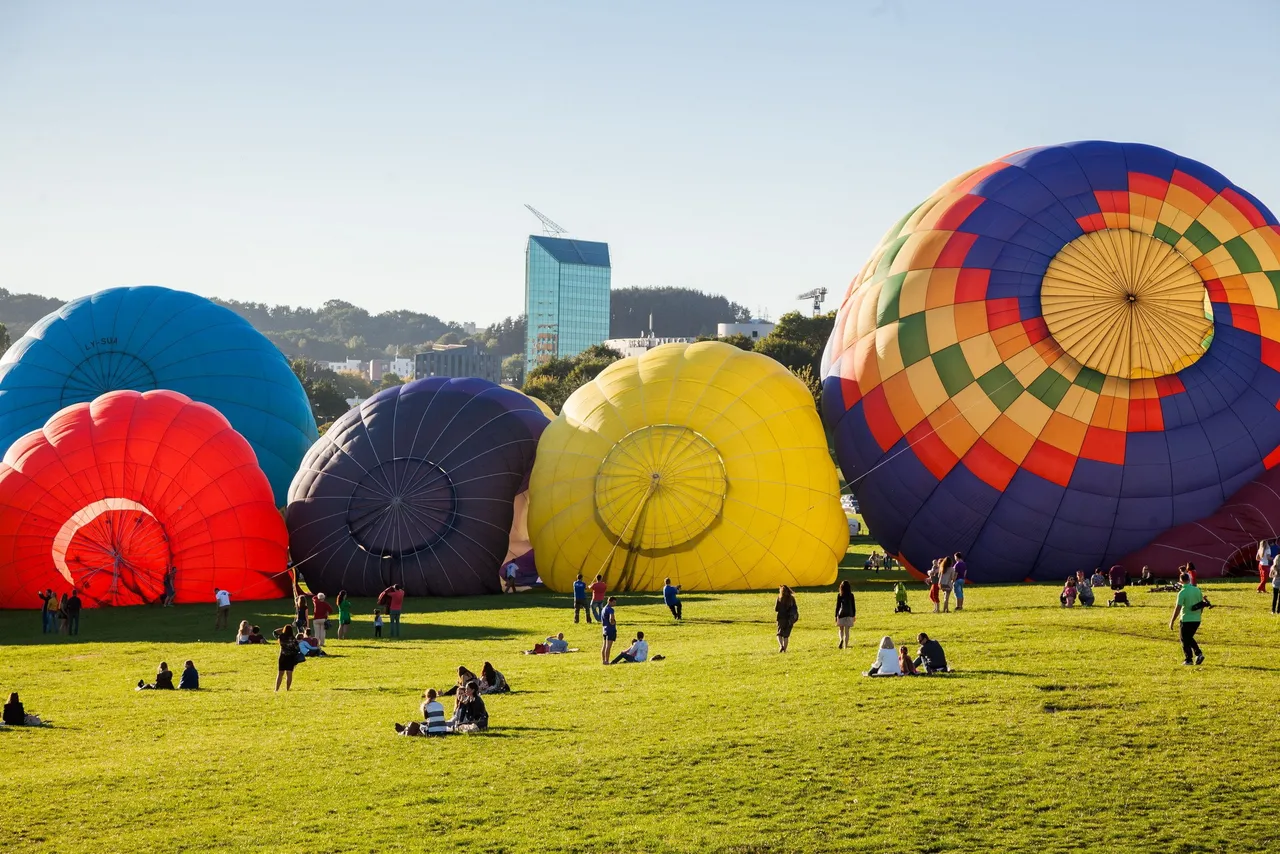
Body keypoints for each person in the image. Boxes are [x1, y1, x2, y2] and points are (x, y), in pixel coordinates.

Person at [1170, 571, 1209, 665]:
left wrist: (1172, 621)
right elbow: (1201, 605)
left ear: (1180, 581)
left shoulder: (1182, 592)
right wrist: (1199, 615)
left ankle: (1189, 659)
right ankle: (1198, 654)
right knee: (1189, 638)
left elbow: (1178, 608)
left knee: (1184, 639)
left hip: (1186, 619)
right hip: (1197, 619)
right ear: (1189, 579)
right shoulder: (1197, 590)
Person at [274, 625, 300, 691]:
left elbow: (275, 632)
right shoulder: (293, 638)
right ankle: (287, 689)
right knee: (289, 674)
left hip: (282, 656)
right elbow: (297, 648)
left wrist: (282, 628)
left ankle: (276, 689)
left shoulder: (281, 637)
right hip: (291, 657)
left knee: (280, 674)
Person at [775, 586, 798, 653]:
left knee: (779, 634)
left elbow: (776, 609)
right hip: (790, 619)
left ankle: (780, 646)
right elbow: (795, 608)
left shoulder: (779, 598)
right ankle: (784, 650)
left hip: (781, 618)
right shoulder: (792, 598)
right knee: (786, 636)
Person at [834, 580, 856, 649]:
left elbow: (837, 606)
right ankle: (845, 646)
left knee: (841, 629)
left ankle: (841, 639)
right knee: (847, 631)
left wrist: (836, 616)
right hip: (849, 614)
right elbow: (853, 606)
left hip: (841, 614)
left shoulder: (840, 595)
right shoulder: (851, 595)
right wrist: (854, 615)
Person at [600, 596, 618, 665]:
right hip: (610, 629)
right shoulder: (610, 609)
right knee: (608, 646)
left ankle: (603, 660)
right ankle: (607, 661)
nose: (615, 604)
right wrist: (613, 622)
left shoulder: (603, 609)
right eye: (614, 602)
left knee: (604, 645)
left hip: (604, 629)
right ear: (609, 601)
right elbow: (611, 619)